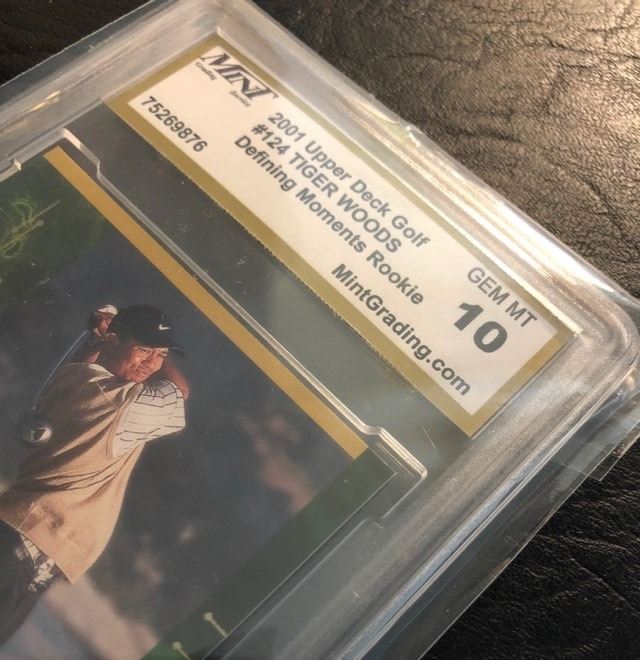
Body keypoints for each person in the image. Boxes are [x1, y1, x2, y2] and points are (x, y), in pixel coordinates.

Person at [0, 304, 189, 644]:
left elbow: (87, 364)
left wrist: (97, 339)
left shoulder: (74, 377)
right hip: (26, 550)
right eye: (144, 348)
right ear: (115, 339)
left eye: (161, 354)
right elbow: (180, 392)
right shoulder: (127, 407)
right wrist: (163, 359)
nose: (152, 363)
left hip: (19, 535)